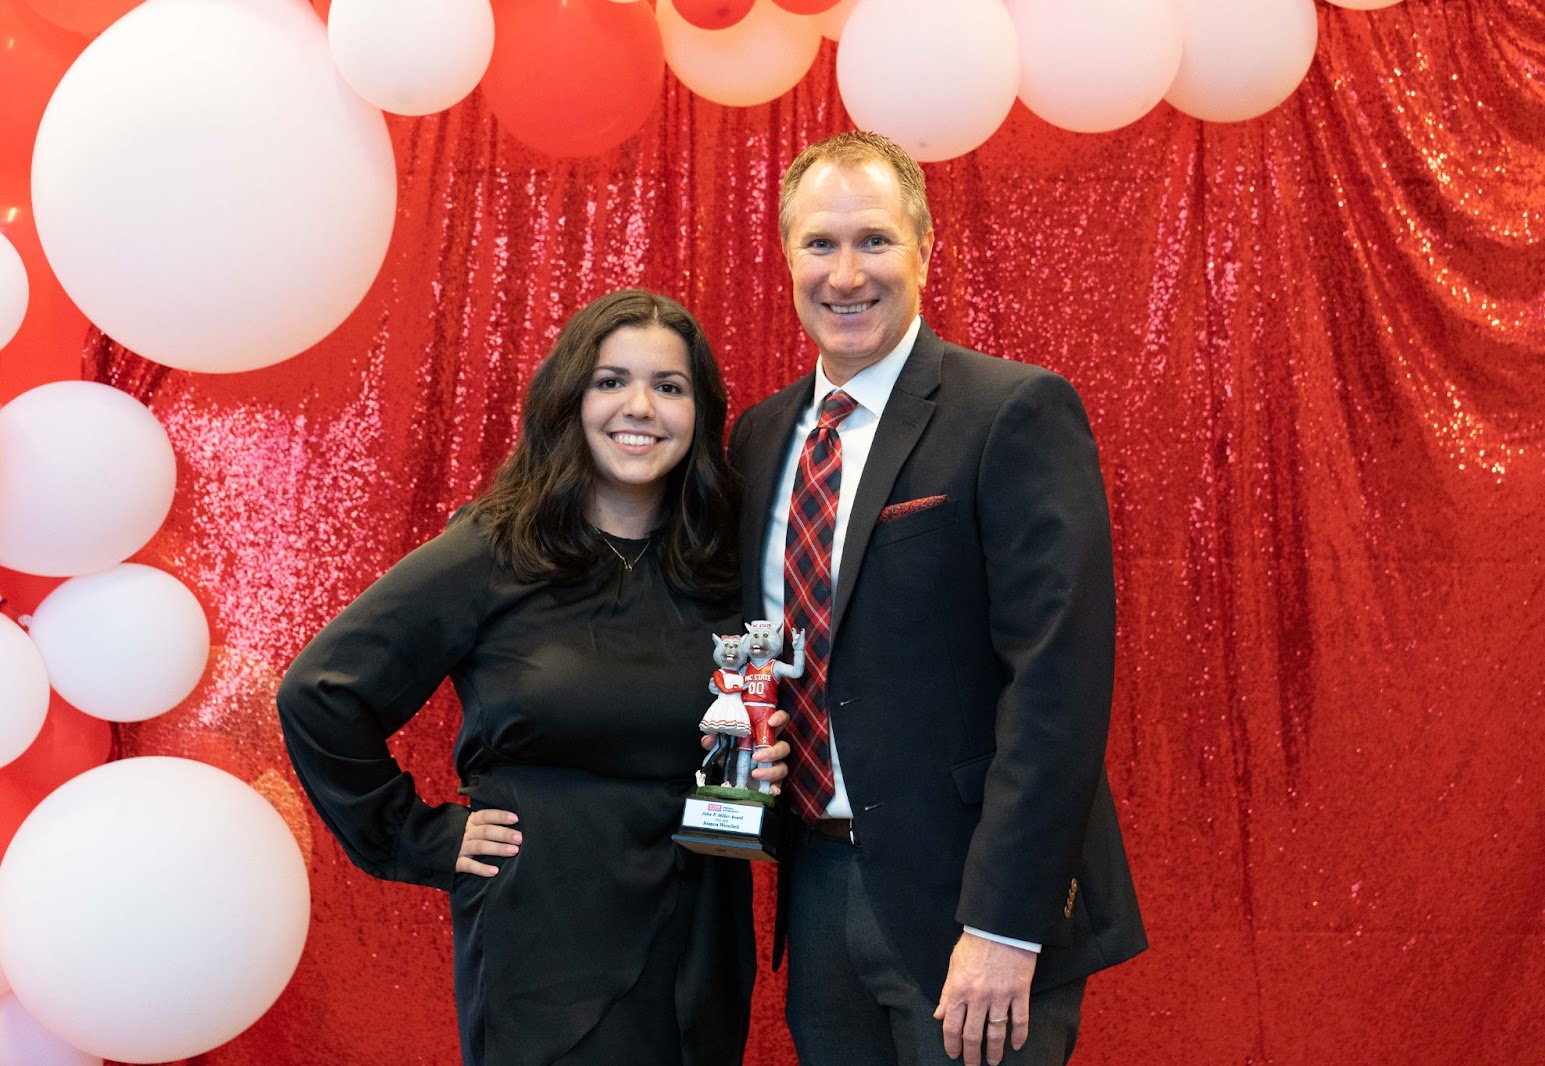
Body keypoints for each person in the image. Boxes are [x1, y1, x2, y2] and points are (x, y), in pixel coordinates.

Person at [277, 289, 789, 1066]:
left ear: (701, 412)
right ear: (569, 398)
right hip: (548, 948)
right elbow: (320, 695)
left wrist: (767, 774)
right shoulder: (495, 546)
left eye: (670, 386)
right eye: (611, 381)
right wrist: (419, 839)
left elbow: (743, 762)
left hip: (697, 942)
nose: (640, 407)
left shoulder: (728, 563)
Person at [728, 132, 1147, 1066]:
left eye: (873, 240)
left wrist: (1007, 923)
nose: (846, 273)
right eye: (819, 244)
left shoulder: (1013, 412)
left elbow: (1058, 687)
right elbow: (762, 646)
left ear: (925, 250)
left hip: (974, 906)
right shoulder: (759, 438)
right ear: (787, 256)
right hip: (819, 890)